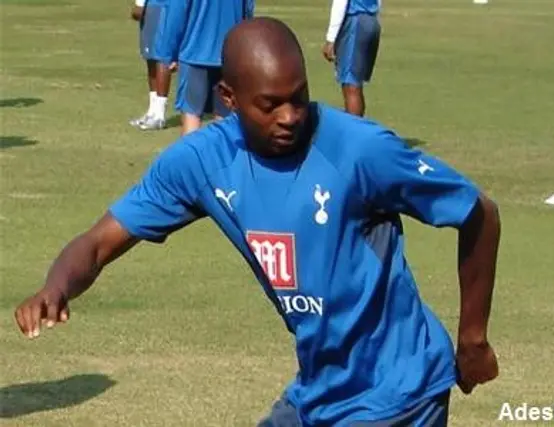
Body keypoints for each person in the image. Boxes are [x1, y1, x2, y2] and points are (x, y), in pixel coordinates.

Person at [14, 17, 500, 426]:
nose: (290, 116)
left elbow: (479, 212)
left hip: (399, 390)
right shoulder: (203, 162)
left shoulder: (359, 151)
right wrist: (56, 286)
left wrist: (472, 339)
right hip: (321, 390)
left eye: (299, 96)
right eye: (270, 104)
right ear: (228, 97)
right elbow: (99, 243)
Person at [155, 0, 254, 135]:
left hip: (194, 53)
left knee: (192, 118)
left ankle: (191, 156)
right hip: (229, 53)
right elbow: (248, 11)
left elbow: (176, 13)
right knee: (224, 120)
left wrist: (168, 53)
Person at [323, 0, 381, 117]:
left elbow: (340, 2)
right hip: (371, 20)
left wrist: (331, 38)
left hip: (355, 21)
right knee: (356, 84)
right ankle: (357, 126)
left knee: (351, 84)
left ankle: (353, 131)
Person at [129, 0, 176, 131]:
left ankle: (159, 115)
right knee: (151, 59)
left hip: (161, 8)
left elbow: (137, 13)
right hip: (157, 7)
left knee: (161, 57)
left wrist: (139, 5)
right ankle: (152, 112)